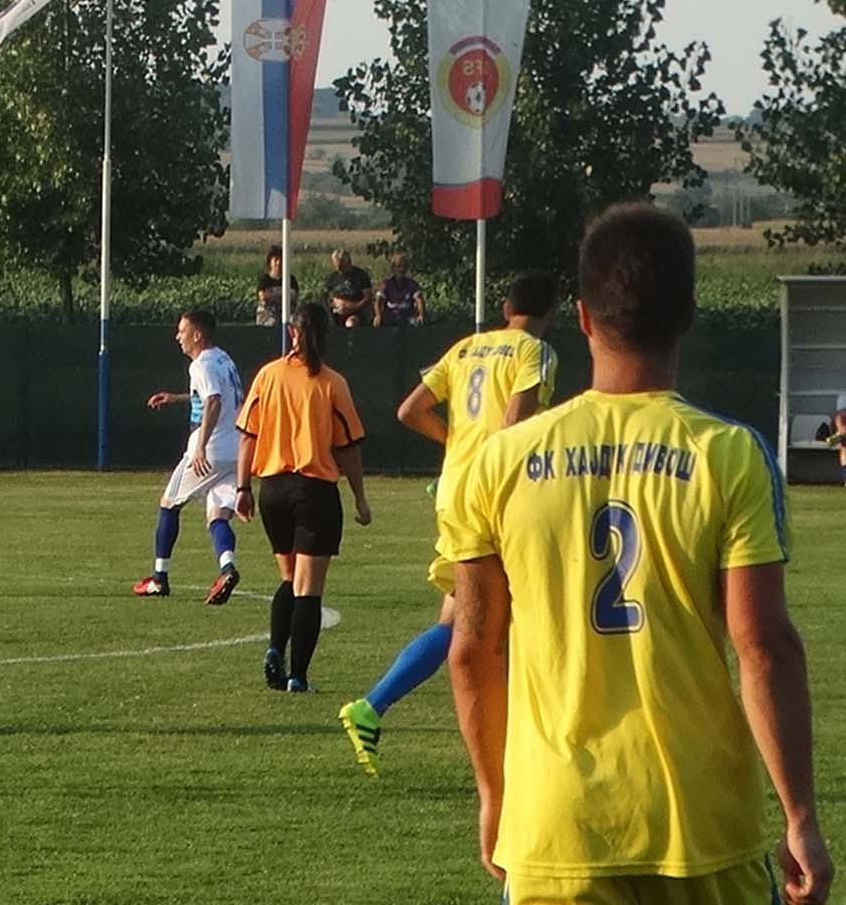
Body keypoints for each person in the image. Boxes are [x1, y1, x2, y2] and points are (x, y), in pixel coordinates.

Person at [442, 203, 831, 905]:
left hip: (557, 824)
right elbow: (764, 647)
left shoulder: (499, 462)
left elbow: (473, 648)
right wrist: (799, 815)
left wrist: (495, 793)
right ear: (688, 316)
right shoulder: (729, 454)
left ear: (583, 318)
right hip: (700, 822)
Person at [337, 273, 559, 776]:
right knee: (514, 615)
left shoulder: (465, 349)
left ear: (505, 308)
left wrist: (456, 445)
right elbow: (514, 428)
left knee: (461, 617)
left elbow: (410, 410)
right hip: (497, 495)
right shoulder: (536, 352)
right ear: (553, 312)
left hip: (456, 492)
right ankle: (525, 741)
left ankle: (372, 707)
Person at [234, 303, 373, 692]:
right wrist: (360, 498)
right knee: (309, 589)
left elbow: (248, 436)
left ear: (292, 332)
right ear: (326, 335)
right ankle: (297, 675)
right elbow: (347, 448)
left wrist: (243, 488)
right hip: (314, 492)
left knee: (288, 578)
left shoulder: (268, 376)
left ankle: (275, 649)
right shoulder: (332, 383)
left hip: (273, 491)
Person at [134, 309, 246, 604]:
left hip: (210, 450)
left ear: (197, 335)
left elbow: (214, 401)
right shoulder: (223, 359)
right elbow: (216, 395)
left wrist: (200, 447)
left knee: (169, 504)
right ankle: (227, 568)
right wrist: (176, 398)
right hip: (236, 451)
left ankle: (159, 578)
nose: (178, 337)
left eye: (182, 331)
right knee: (218, 515)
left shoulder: (201, 364)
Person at [325, 249, 374, 329]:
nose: (338, 268)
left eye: (341, 265)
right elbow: (324, 296)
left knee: (351, 323)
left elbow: (368, 298)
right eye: (336, 265)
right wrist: (332, 306)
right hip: (337, 311)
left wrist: (353, 308)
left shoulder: (361, 275)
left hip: (356, 311)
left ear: (348, 262)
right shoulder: (332, 277)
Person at [373, 254, 426, 327]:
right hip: (391, 316)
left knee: (417, 322)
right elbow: (378, 301)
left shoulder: (412, 284)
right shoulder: (386, 284)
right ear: (393, 268)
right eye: (398, 266)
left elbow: (419, 300)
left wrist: (421, 315)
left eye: (404, 267)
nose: (401, 269)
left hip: (407, 316)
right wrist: (378, 315)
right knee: (377, 322)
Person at [255, 246, 301, 326]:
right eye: (275, 260)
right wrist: (282, 294)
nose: (278, 263)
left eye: (281, 260)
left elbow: (293, 296)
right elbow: (262, 296)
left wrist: (272, 294)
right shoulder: (264, 280)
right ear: (270, 262)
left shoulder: (290, 279)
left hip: (288, 312)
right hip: (268, 314)